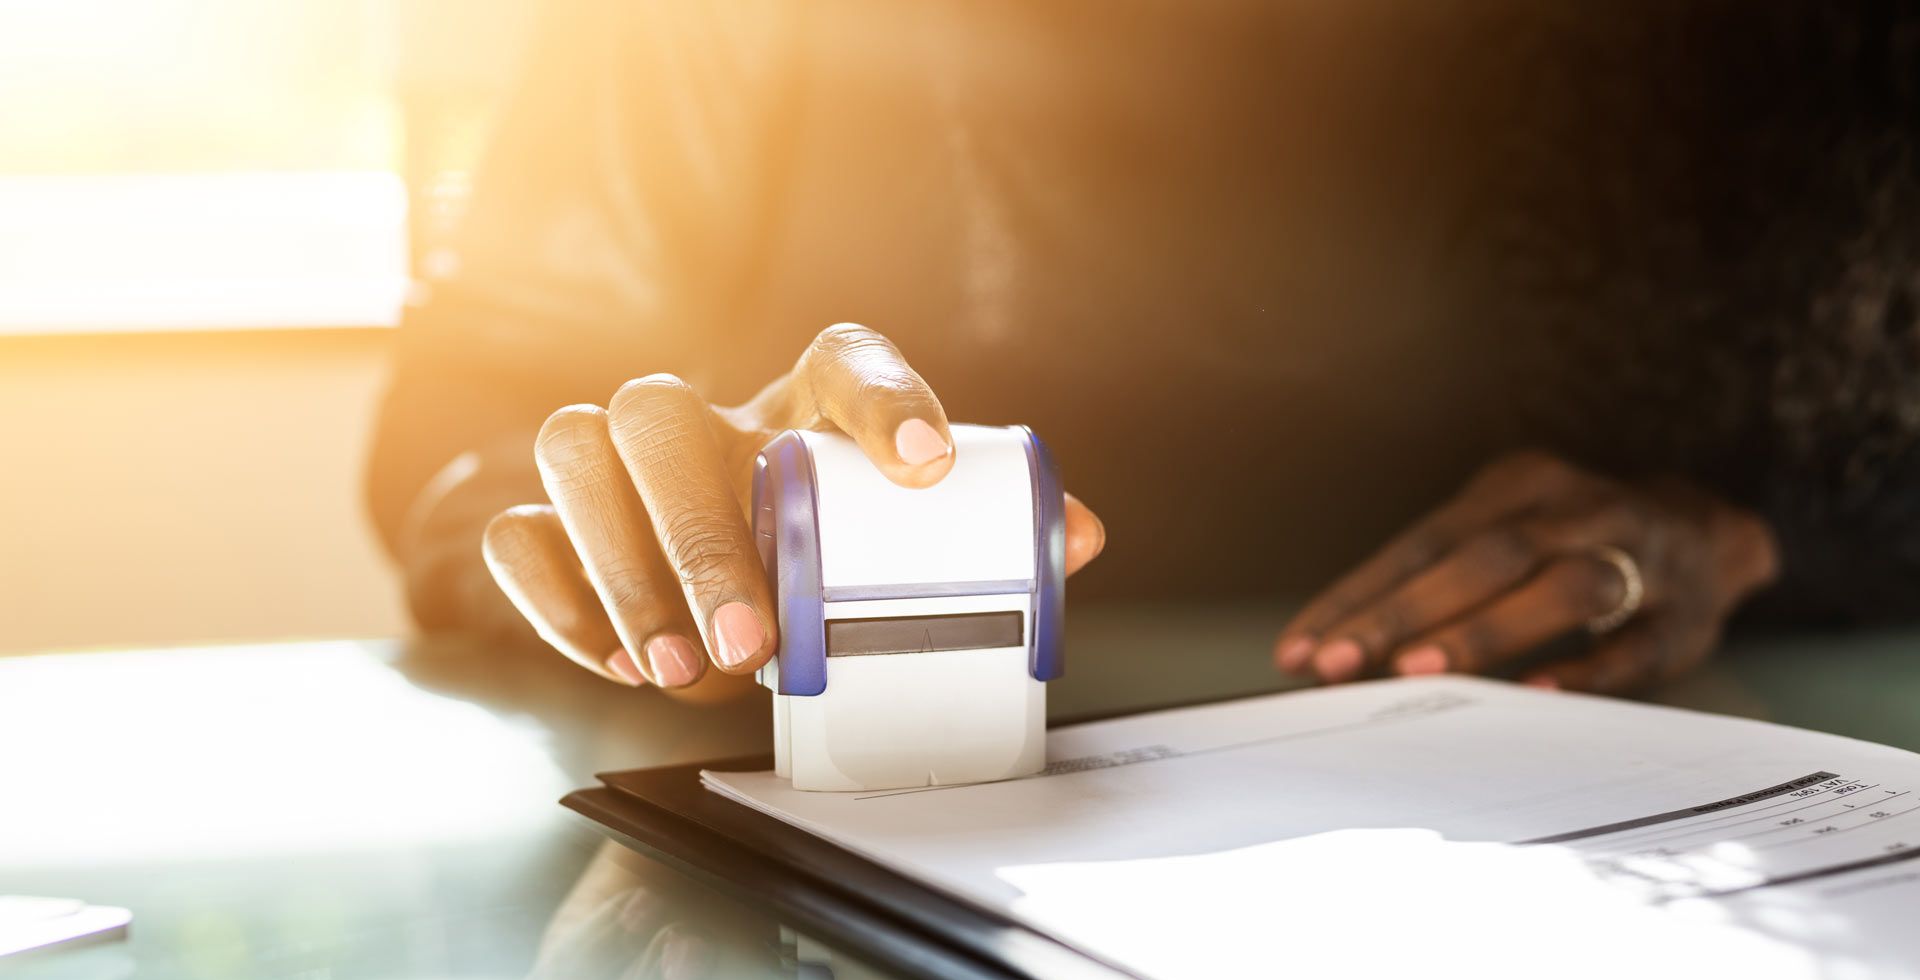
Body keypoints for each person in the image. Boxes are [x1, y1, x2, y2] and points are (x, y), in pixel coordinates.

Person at [368, 1, 1920, 700]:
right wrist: (653, 533)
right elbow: (488, 393)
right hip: (858, 844)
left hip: (1552, 828)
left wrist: (1756, 530)